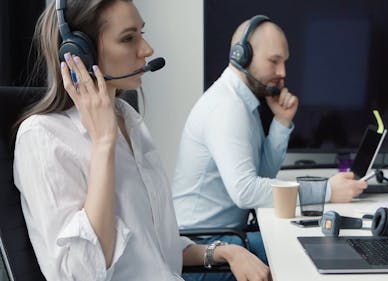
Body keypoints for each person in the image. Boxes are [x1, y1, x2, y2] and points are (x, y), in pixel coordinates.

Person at [13, 1, 270, 280]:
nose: (147, 50)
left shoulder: (129, 119)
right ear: (79, 53)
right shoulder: (42, 137)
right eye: (128, 38)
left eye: (141, 34)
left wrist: (226, 252)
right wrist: (103, 144)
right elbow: (82, 273)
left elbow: (156, 249)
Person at [172, 15, 368, 267]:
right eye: (274, 61)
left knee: (310, 242)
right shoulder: (227, 107)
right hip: (203, 248)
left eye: (284, 62)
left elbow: (262, 175)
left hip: (223, 237)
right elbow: (245, 192)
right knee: (311, 252)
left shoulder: (244, 102)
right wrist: (326, 191)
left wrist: (282, 121)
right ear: (241, 55)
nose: (282, 72)